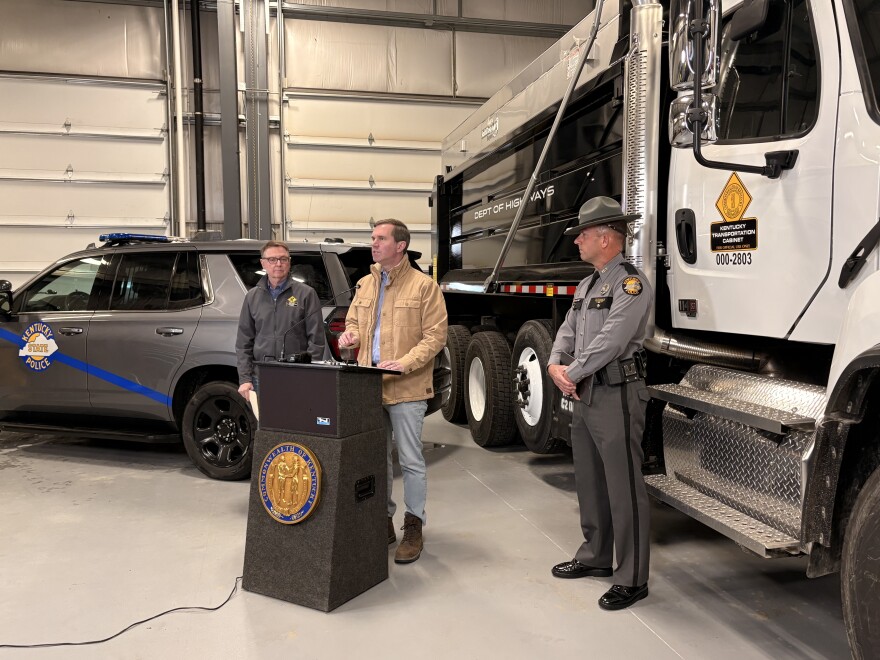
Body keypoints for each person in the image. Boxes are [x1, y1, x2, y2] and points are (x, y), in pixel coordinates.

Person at [547, 196, 653, 611]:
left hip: (616, 394)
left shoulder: (630, 284)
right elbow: (568, 329)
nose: (577, 241)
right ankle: (595, 556)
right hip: (585, 393)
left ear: (606, 238)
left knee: (623, 487)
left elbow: (612, 340)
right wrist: (555, 363)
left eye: (583, 234)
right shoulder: (587, 284)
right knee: (590, 481)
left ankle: (632, 577)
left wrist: (570, 373)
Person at [338, 219, 447, 564]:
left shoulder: (424, 286)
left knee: (411, 460)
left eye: (381, 238)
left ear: (400, 246)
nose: (374, 243)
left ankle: (413, 527)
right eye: (373, 238)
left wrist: (404, 363)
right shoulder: (365, 283)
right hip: (369, 386)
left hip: (407, 387)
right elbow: (353, 322)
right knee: (377, 458)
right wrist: (350, 336)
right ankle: (382, 520)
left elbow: (435, 337)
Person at [236, 240, 325, 397]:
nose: (278, 264)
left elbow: (316, 341)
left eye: (283, 259)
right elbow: (244, 343)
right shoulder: (252, 297)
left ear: (289, 262)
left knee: (297, 413)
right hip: (261, 376)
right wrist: (245, 378)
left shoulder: (306, 294)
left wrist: (309, 372)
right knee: (264, 414)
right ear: (263, 263)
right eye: (272, 259)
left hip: (297, 376)